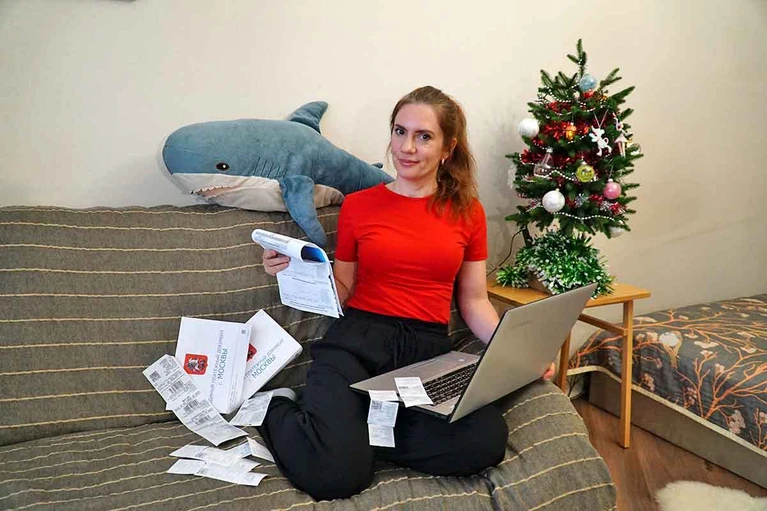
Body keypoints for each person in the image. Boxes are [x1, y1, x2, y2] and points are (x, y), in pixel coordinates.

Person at [259, 85, 555, 501]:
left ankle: (355, 434)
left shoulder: (467, 212)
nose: (406, 147)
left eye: (424, 136)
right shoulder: (359, 206)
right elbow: (341, 291)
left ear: (448, 148)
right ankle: (279, 409)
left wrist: (520, 353)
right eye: (400, 131)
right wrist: (297, 271)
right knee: (335, 478)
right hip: (356, 343)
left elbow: (474, 301)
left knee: (484, 441)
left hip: (425, 354)